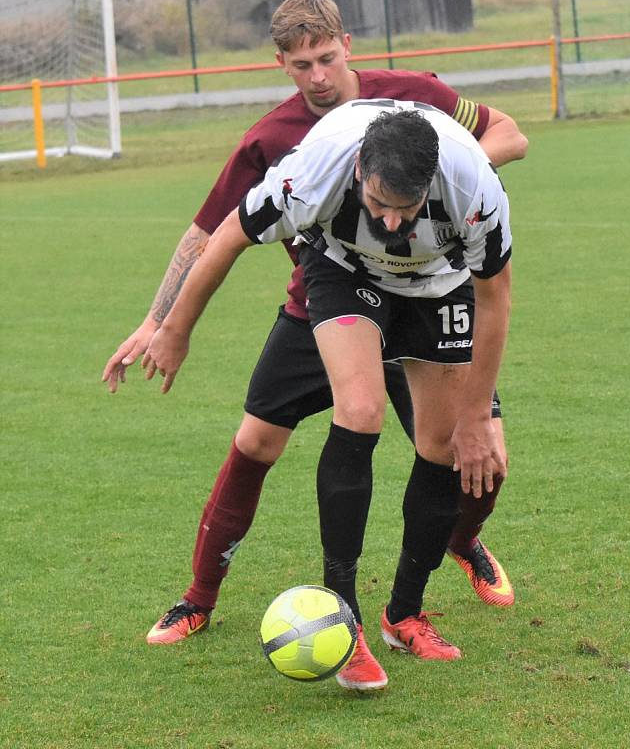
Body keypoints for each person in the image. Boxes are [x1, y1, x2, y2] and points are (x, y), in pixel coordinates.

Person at [102, 0, 526, 652]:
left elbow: (494, 285)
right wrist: (164, 324)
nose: (317, 75)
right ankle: (217, 600)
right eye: (302, 64)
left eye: (326, 58)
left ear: (347, 46)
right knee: (278, 437)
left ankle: (448, 554)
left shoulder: (444, 143)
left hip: (431, 286)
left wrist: (476, 411)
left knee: (471, 450)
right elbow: (214, 234)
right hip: (331, 294)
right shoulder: (293, 155)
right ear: (282, 65)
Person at [142, 101, 513, 692]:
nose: (391, 222)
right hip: (347, 273)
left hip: (439, 287)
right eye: (378, 204)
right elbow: (229, 237)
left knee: (441, 445)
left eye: (406, 208)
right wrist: (175, 330)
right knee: (360, 411)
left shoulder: (475, 188)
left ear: (431, 185)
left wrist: (476, 412)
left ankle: (405, 615)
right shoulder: (312, 171)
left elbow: (495, 301)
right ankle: (345, 618)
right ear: (361, 168)